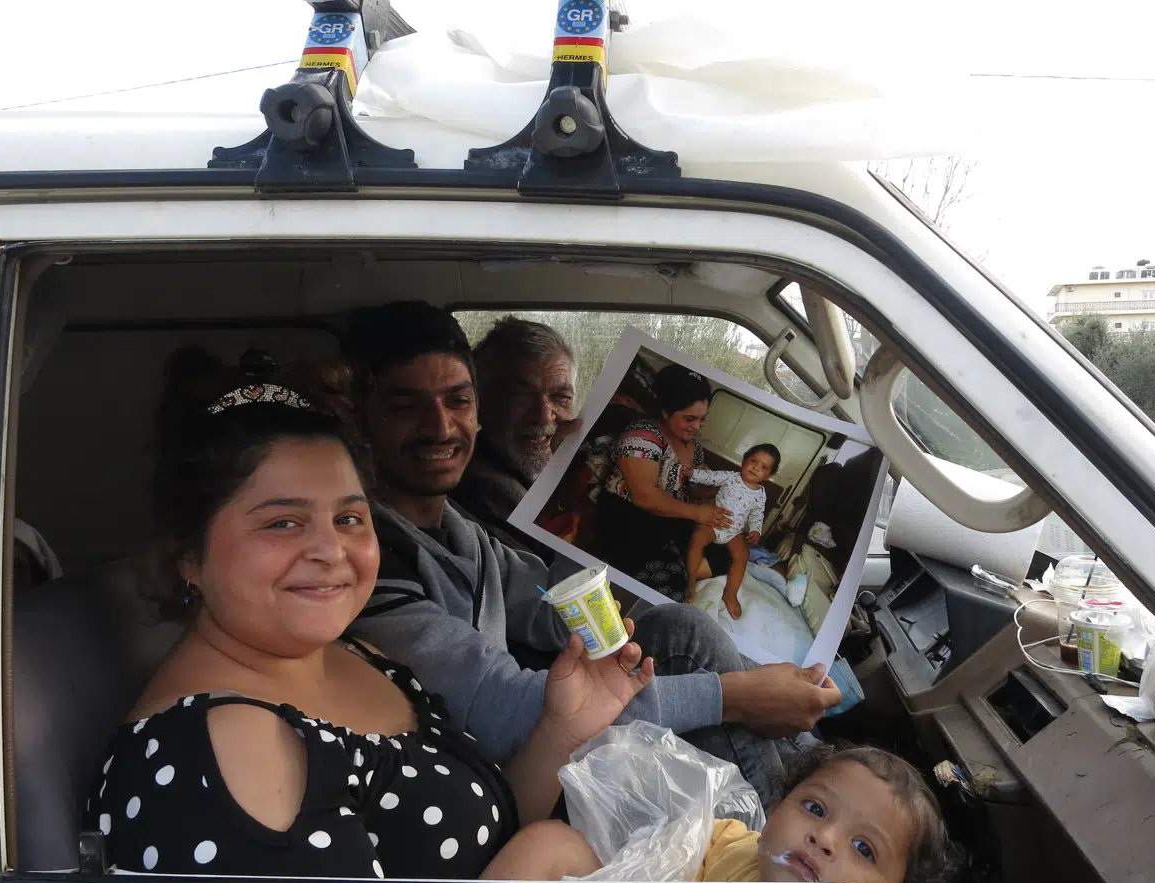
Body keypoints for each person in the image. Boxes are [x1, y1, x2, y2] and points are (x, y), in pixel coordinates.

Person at [84, 349, 653, 878]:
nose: (331, 551)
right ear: (190, 553)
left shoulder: (358, 654)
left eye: (350, 519)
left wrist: (562, 730)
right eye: (282, 522)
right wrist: (537, 864)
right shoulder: (220, 752)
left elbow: (471, 842)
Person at [338, 302, 841, 804]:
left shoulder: (459, 532)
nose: (441, 427)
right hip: (509, 776)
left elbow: (554, 604)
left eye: (457, 401)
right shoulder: (363, 568)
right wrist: (737, 697)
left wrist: (574, 490)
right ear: (362, 418)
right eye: (406, 406)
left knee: (687, 629)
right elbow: (509, 711)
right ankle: (794, 830)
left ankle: (812, 769)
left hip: (553, 710)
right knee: (718, 673)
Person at [495, 744, 958, 883]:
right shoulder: (725, 843)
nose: (825, 838)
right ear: (774, 808)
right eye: (815, 809)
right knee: (549, 843)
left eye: (864, 847)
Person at [596, 363, 735, 601]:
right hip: (631, 519)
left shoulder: (692, 445)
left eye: (702, 419)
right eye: (689, 418)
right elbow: (644, 495)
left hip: (671, 517)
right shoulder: (641, 437)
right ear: (665, 412)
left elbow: (697, 480)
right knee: (667, 584)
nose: (697, 426)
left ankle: (684, 566)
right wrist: (698, 513)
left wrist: (715, 490)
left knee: (729, 553)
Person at [452, 317, 581, 559]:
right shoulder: (479, 489)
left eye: (561, 397)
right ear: (481, 402)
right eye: (519, 396)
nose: (544, 416)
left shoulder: (559, 472)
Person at [683, 443, 781, 619]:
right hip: (713, 523)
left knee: (742, 555)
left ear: (769, 475)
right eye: (753, 461)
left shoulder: (761, 494)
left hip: (734, 532)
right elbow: (710, 477)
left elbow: (757, 515)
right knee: (696, 539)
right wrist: (692, 473)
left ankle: (730, 594)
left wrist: (756, 531)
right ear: (744, 461)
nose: (756, 468)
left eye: (764, 467)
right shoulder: (730, 477)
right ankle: (691, 581)